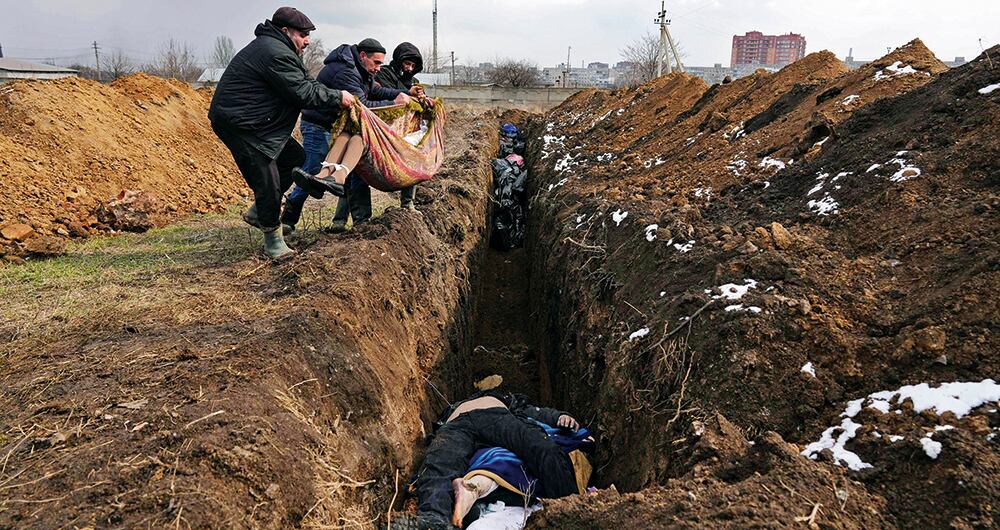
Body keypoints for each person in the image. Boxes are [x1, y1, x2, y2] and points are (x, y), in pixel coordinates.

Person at [208, 7, 354, 259]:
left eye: (308, 35)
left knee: (294, 159)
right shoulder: (275, 53)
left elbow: (306, 84)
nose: (307, 40)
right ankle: (272, 240)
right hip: (242, 124)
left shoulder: (280, 49)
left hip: (260, 123)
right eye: (303, 34)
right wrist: (338, 96)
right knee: (268, 178)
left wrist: (331, 94)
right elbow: (303, 93)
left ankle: (257, 212)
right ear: (285, 31)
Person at [280, 38, 424, 233]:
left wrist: (402, 93)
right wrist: (397, 104)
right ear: (363, 56)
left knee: (354, 170)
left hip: (341, 127)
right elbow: (362, 107)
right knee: (313, 169)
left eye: (381, 63)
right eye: (376, 63)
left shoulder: (362, 70)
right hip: (319, 124)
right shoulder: (347, 72)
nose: (379, 68)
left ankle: (361, 222)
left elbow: (376, 90)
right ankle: (288, 217)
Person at [403, 390, 583, 529]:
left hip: (492, 416)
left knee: (543, 448)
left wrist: (558, 416)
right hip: (457, 425)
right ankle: (434, 522)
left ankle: (568, 511)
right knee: (439, 465)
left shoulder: (503, 399)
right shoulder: (452, 410)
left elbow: (534, 412)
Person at [375, 42, 429, 211]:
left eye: (413, 65)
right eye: (407, 64)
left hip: (406, 131)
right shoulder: (384, 73)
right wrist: (408, 92)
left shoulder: (414, 81)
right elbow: (382, 92)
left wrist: (423, 100)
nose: (409, 68)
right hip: (381, 130)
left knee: (412, 160)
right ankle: (344, 217)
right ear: (399, 61)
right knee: (361, 172)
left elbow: (417, 105)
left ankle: (408, 204)